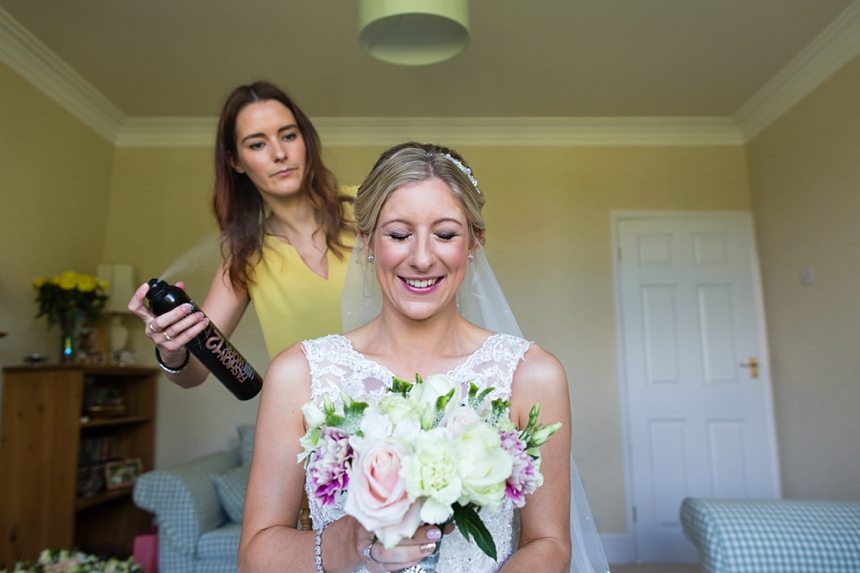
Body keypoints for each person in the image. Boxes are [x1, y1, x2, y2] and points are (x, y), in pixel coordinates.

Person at [240, 142, 594, 572]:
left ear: (474, 243)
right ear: (368, 241)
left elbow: (550, 543)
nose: (422, 258)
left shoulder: (532, 375)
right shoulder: (300, 375)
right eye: (398, 234)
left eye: (445, 234)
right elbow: (255, 556)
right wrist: (350, 542)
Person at [127, 81, 355, 384]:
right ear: (236, 161)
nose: (279, 153)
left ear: (305, 141)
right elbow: (195, 373)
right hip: (314, 423)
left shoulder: (370, 209)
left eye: (289, 135)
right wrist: (172, 351)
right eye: (257, 144)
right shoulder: (244, 258)